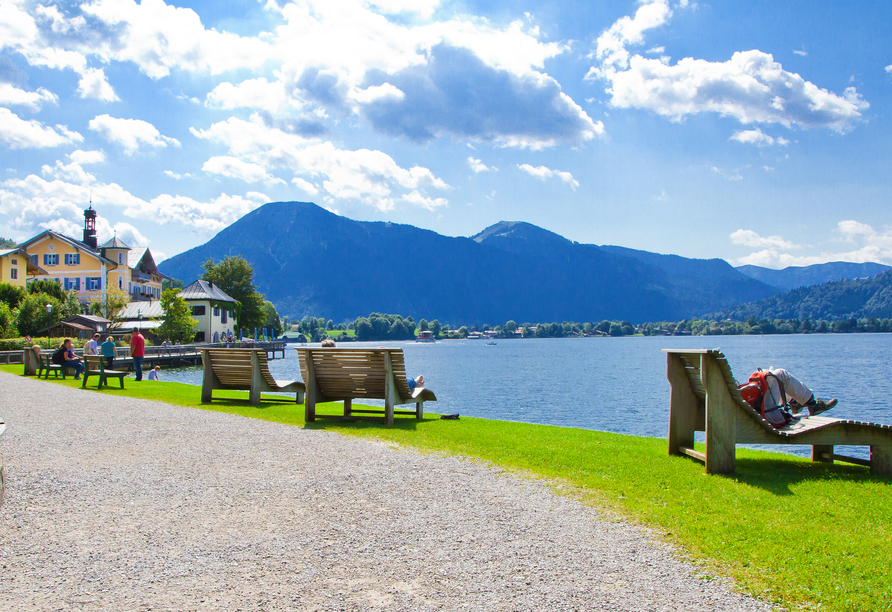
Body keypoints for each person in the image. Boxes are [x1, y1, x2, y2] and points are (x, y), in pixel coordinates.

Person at [754, 367, 837, 417]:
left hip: (752, 410)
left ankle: (795, 402)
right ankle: (812, 404)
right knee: (780, 374)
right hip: (760, 413)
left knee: (768, 378)